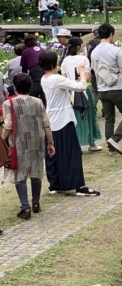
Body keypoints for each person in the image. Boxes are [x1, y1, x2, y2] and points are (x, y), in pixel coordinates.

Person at [39, 52, 100, 196]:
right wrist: (82, 74)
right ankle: (78, 185)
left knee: (53, 152)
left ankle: (55, 184)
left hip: (51, 119)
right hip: (64, 119)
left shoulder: (44, 78)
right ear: (54, 64)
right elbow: (81, 87)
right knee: (72, 153)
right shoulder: (56, 78)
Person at [2, 73, 56, 219]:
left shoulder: (9, 104)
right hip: (37, 141)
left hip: (19, 142)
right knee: (36, 170)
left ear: (15, 86)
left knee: (20, 174)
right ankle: (36, 203)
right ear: (30, 85)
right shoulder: (38, 102)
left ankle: (25, 207)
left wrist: (2, 141)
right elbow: (46, 124)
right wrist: (50, 143)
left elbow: (8, 125)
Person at [92, 23, 122, 155]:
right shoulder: (115, 50)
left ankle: (111, 149)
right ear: (111, 34)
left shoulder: (94, 52)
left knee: (109, 119)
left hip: (102, 89)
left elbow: (94, 71)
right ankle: (115, 139)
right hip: (117, 88)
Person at [60, 38, 103, 152]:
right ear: (78, 47)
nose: (83, 47)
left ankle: (77, 144)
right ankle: (91, 143)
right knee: (89, 116)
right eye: (82, 45)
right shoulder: (83, 59)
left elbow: (63, 78)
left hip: (70, 91)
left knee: (74, 118)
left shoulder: (65, 60)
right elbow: (87, 76)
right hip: (83, 89)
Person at [20, 35, 46, 105]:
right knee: (45, 97)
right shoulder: (43, 50)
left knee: (32, 98)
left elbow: (24, 69)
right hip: (44, 72)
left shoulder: (25, 52)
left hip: (34, 73)